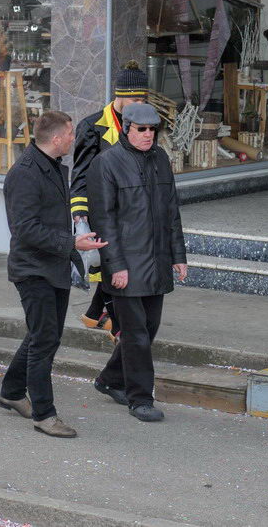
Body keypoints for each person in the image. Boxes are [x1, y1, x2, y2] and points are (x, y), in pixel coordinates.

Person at [0, 111, 106, 438]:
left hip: (52, 266)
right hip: (33, 270)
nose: (74, 138)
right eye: (71, 133)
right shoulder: (25, 173)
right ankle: (44, 415)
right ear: (57, 138)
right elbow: (25, 229)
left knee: (42, 335)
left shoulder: (52, 165)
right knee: (44, 340)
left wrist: (74, 237)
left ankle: (11, 392)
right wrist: (71, 242)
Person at [87, 103, 188, 422]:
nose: (148, 135)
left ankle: (110, 379)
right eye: (141, 129)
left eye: (152, 130)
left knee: (148, 329)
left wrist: (178, 255)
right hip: (126, 265)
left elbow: (171, 210)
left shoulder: (160, 159)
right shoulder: (106, 163)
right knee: (136, 335)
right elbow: (103, 220)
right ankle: (140, 398)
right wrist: (115, 265)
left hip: (156, 261)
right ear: (126, 128)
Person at [70, 60, 149, 341]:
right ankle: (119, 327)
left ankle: (94, 314)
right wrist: (80, 213)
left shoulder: (142, 124)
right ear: (120, 96)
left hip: (132, 210)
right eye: (135, 100)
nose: (140, 105)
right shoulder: (92, 126)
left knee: (119, 264)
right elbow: (80, 173)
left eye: (143, 100)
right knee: (112, 266)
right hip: (101, 209)